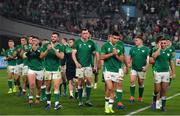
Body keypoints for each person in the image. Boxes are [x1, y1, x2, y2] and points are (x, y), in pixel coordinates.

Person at [72, 29, 98, 107]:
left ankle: (87, 100)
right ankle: (80, 101)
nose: (85, 35)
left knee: (89, 82)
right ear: (81, 34)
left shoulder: (92, 43)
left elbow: (95, 54)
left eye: (86, 33)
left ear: (88, 34)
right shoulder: (77, 42)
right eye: (83, 33)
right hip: (80, 66)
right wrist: (76, 63)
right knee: (80, 82)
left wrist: (95, 65)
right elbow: (73, 54)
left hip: (88, 66)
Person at [100, 31, 125, 113]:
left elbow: (122, 59)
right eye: (115, 38)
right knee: (110, 88)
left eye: (118, 38)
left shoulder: (119, 47)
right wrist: (112, 54)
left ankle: (110, 106)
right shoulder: (105, 45)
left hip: (116, 70)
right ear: (111, 37)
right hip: (107, 70)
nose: (116, 40)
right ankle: (106, 105)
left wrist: (116, 55)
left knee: (113, 89)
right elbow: (101, 57)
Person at [40, 32, 64, 110]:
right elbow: (41, 56)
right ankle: (48, 103)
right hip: (47, 69)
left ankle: (57, 104)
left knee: (56, 86)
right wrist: (47, 49)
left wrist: (53, 49)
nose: (53, 38)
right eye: (52, 36)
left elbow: (61, 56)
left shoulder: (60, 46)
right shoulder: (45, 46)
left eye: (55, 37)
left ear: (58, 38)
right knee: (48, 87)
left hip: (56, 69)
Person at [151, 36, 176, 111]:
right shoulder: (155, 49)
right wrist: (159, 48)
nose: (163, 44)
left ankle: (163, 106)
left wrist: (173, 73)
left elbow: (171, 62)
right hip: (157, 72)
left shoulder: (169, 51)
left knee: (164, 90)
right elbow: (154, 57)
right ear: (160, 44)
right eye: (162, 43)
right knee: (157, 90)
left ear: (166, 44)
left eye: (164, 43)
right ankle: (154, 102)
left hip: (166, 73)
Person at [128, 35, 149, 102]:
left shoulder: (146, 49)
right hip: (134, 68)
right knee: (132, 81)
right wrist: (128, 64)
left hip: (142, 69)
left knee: (140, 83)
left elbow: (147, 59)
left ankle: (140, 97)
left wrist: (146, 67)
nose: (135, 41)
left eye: (136, 40)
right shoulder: (132, 48)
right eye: (135, 40)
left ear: (141, 41)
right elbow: (129, 57)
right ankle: (132, 96)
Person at [23, 36, 44, 105]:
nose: (34, 41)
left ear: (38, 42)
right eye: (33, 40)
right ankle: (31, 98)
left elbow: (41, 57)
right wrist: (29, 51)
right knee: (32, 84)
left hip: (40, 69)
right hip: (31, 69)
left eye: (35, 40)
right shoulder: (29, 49)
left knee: (38, 86)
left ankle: (38, 97)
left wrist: (35, 50)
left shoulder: (41, 49)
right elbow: (24, 56)